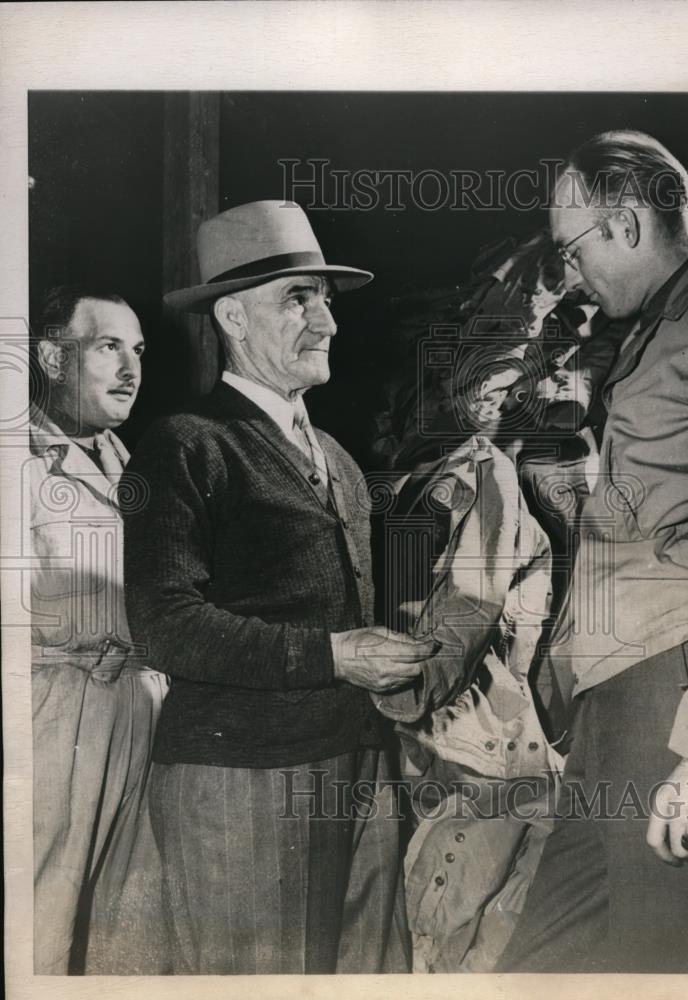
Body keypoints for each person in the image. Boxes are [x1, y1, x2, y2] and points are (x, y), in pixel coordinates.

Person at [122, 200, 437, 975]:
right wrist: (334, 655)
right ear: (231, 314)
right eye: (297, 298)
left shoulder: (334, 453)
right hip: (242, 779)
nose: (325, 321)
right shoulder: (185, 445)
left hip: (358, 766)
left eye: (324, 299)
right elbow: (164, 625)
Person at [496, 131, 688, 973]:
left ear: (627, 225)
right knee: (540, 965)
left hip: (676, 691)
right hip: (617, 692)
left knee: (669, 958)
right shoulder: (659, 324)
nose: (571, 274)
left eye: (573, 248)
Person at [28, 286, 168, 974]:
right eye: (109, 347)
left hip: (140, 705)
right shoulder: (14, 462)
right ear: (54, 358)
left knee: (130, 929)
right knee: (38, 925)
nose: (131, 369)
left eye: (138, 350)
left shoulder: (136, 465)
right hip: (51, 716)